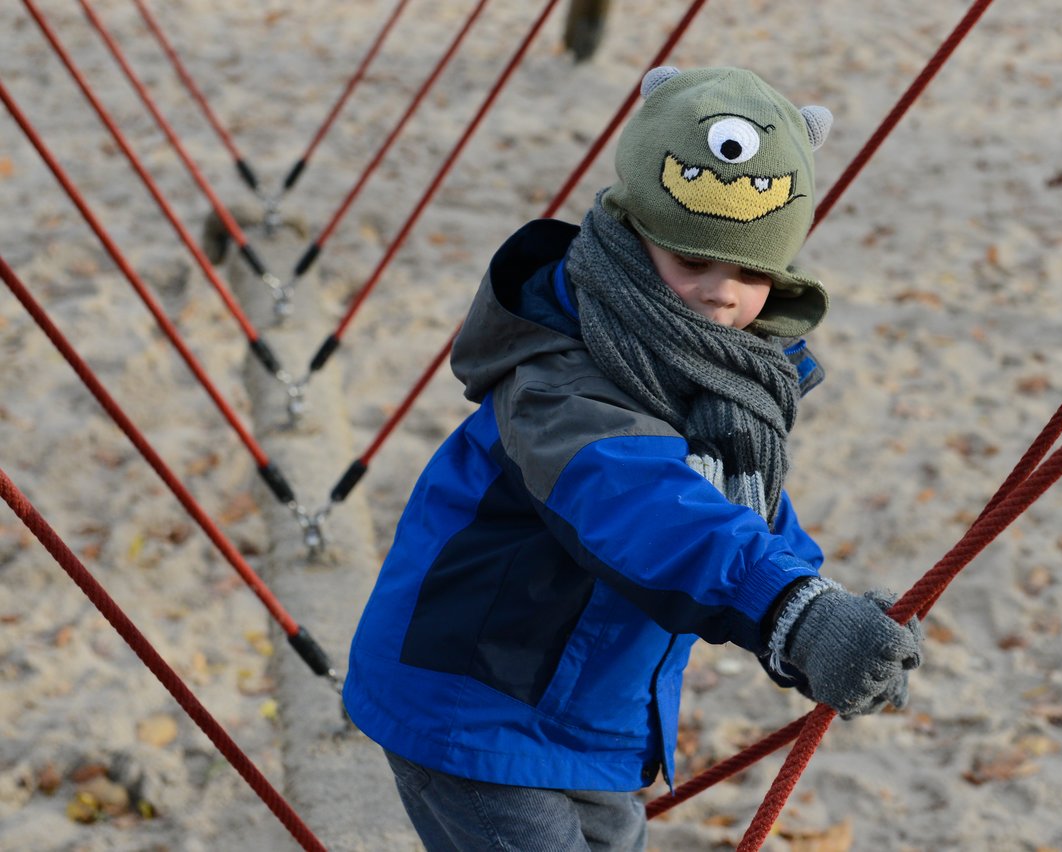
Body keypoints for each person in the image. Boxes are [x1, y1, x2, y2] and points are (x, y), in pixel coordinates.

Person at [342, 65, 923, 851]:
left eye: (753, 273)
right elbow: (646, 508)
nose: (722, 295)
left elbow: (738, 510)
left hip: (592, 712)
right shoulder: (559, 374)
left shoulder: (723, 375)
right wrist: (791, 608)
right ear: (631, 235)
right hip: (472, 707)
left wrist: (816, 599)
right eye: (691, 262)